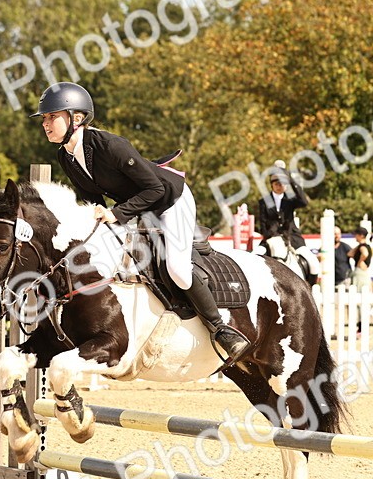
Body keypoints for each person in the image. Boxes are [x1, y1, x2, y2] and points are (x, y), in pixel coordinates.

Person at [31, 81, 250, 361]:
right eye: (44, 119)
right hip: (136, 207)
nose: (45, 124)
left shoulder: (111, 145)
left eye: (52, 116)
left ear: (76, 118)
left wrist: (117, 214)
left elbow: (155, 190)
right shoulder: (66, 155)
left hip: (171, 200)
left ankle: (221, 329)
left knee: (177, 268)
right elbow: (92, 197)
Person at [257, 163, 309, 255]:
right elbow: (263, 224)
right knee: (255, 254)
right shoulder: (264, 202)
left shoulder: (291, 200)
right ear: (272, 185)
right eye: (277, 184)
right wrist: (271, 235)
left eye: (282, 183)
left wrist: (292, 180)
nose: (279, 186)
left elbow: (304, 202)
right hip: (271, 238)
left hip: (292, 238)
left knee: (312, 262)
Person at [349, 227, 373, 291]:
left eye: (356, 235)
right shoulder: (363, 246)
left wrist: (360, 261)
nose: (355, 237)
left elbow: (365, 254)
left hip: (360, 271)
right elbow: (350, 254)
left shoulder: (362, 247)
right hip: (363, 271)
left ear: (361, 235)